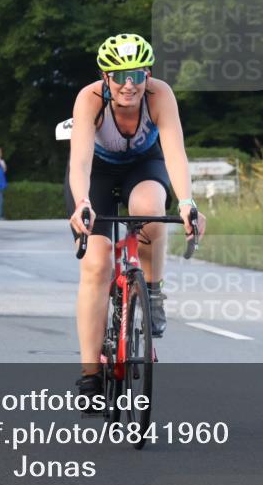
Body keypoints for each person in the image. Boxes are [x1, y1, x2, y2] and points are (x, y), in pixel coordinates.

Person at [66, 33, 205, 400]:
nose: (129, 85)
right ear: (105, 77)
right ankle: (90, 376)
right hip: (96, 175)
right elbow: (79, 161)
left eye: (137, 75)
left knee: (150, 211)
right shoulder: (89, 99)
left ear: (148, 74)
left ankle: (152, 291)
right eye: (119, 76)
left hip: (143, 166)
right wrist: (82, 202)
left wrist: (187, 202)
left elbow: (175, 153)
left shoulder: (160, 95)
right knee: (96, 265)